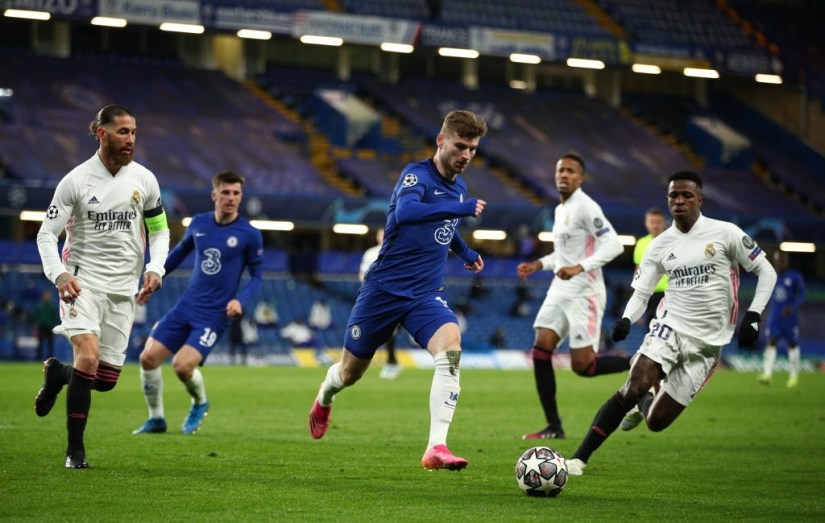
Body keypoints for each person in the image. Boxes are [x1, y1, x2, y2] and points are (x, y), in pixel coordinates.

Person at [564, 170, 777, 476]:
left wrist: (754, 315)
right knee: (632, 387)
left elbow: (766, 271)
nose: (679, 200)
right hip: (670, 326)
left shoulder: (726, 233)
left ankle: (646, 401)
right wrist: (626, 318)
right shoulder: (660, 245)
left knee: (656, 422)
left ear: (699, 199)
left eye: (686, 195)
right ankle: (579, 459)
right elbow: (642, 292)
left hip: (708, 344)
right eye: (673, 195)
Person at [309, 110, 488, 471]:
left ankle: (436, 446)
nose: (466, 155)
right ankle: (324, 397)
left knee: (451, 346)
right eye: (460, 146)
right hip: (383, 290)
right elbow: (407, 214)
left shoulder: (459, 187)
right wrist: (460, 208)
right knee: (349, 373)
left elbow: (446, 225)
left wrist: (465, 251)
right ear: (441, 141)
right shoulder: (415, 175)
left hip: (424, 294)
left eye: (472, 149)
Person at [34, 104, 170, 468]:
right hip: (83, 284)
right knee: (89, 358)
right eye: (123, 132)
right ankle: (74, 452)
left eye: (134, 132)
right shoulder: (76, 181)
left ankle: (57, 374)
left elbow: (159, 230)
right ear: (101, 133)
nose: (130, 139)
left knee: (105, 379)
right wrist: (60, 275)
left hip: (123, 290)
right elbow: (46, 234)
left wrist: (156, 267)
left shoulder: (145, 179)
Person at [133, 170, 263, 435]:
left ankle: (200, 402)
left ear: (241, 196)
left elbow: (257, 276)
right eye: (225, 192)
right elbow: (179, 254)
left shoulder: (249, 234)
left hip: (215, 314)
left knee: (182, 366)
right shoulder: (199, 224)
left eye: (236, 193)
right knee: (147, 358)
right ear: (214, 195)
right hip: (186, 306)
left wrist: (240, 300)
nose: (231, 198)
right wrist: (154, 278)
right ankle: (156, 418)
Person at [517, 153, 628, 441]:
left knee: (583, 366)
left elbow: (614, 244)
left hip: (585, 291)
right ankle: (554, 426)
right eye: (560, 170)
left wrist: (581, 266)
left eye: (570, 171)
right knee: (541, 348)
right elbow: (564, 254)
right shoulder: (559, 210)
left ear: (581, 178)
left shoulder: (586, 206)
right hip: (560, 287)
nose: (563, 175)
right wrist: (539, 264)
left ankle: (639, 362)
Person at [758, 250, 805, 388]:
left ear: (787, 261)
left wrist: (793, 306)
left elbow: (802, 295)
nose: (780, 263)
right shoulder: (770, 276)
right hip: (775, 316)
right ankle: (767, 374)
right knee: (771, 342)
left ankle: (793, 377)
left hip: (789, 318)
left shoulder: (795, 277)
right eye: (778, 260)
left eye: (782, 260)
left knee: (792, 345)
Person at [359, 229, 402, 379]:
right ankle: (389, 362)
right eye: (380, 234)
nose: (382, 236)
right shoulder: (371, 253)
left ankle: (391, 362)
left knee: (390, 331)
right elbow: (362, 274)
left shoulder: (397, 251)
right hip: (374, 296)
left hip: (393, 296)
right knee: (381, 331)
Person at [633, 207, 669, 327]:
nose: (655, 225)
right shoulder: (641, 243)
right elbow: (638, 270)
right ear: (646, 223)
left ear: (664, 223)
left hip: (669, 293)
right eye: (652, 222)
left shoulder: (672, 242)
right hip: (649, 293)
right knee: (650, 331)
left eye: (658, 222)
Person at [33, 289, 59, 360]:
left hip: (50, 327)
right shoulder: (40, 305)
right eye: (45, 295)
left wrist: (55, 328)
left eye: (48, 295)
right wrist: (36, 327)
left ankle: (50, 358)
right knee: (40, 343)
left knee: (50, 343)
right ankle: (38, 358)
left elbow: (55, 317)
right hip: (42, 327)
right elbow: (36, 317)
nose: (47, 297)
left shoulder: (52, 306)